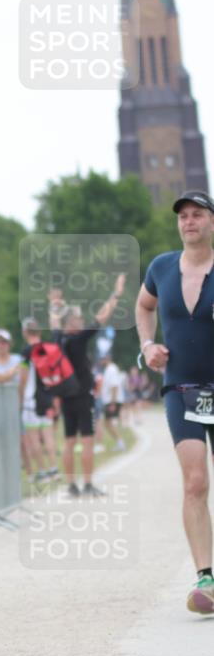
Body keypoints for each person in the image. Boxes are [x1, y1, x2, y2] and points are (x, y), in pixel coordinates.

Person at [135, 190, 214, 615]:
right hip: (181, 387)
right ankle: (206, 576)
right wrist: (147, 345)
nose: (189, 221)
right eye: (183, 215)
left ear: (212, 222)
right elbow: (144, 306)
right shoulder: (161, 267)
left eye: (197, 214)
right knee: (195, 481)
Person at [51, 275, 126, 498]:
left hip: (66, 397)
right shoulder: (78, 339)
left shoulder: (58, 338)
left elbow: (54, 321)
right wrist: (116, 294)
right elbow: (102, 316)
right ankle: (88, 484)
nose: (82, 322)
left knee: (68, 442)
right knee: (86, 441)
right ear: (72, 323)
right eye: (79, 319)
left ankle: (71, 485)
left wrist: (55, 304)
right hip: (83, 396)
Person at [19, 318, 59, 482]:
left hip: (30, 401)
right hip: (47, 398)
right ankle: (54, 469)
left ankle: (42, 471)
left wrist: (19, 397)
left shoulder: (26, 352)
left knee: (33, 438)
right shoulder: (48, 349)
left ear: (25, 333)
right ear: (40, 332)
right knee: (48, 436)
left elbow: (23, 378)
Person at [99, 353, 125, 451]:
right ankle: (119, 442)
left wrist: (113, 402)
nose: (101, 362)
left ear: (107, 359)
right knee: (108, 423)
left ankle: (120, 442)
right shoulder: (109, 369)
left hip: (112, 400)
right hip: (110, 400)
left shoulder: (111, 369)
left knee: (108, 423)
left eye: (102, 359)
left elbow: (114, 386)